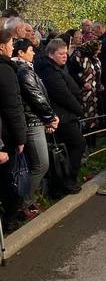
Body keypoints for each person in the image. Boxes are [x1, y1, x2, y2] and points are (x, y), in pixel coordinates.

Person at [12, 38, 59, 211]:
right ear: (21, 53)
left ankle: (27, 200)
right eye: (30, 50)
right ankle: (22, 202)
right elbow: (36, 97)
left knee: (37, 164)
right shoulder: (23, 71)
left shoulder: (26, 69)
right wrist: (51, 117)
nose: (33, 53)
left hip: (36, 120)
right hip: (33, 122)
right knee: (41, 164)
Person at [36, 39, 85, 191]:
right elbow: (62, 94)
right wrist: (80, 110)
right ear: (51, 54)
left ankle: (66, 179)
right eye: (61, 54)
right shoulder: (49, 70)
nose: (65, 56)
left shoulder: (56, 67)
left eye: (66, 53)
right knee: (77, 144)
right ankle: (66, 180)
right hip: (61, 116)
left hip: (66, 114)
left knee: (70, 147)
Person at [0, 29, 27, 229]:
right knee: (6, 178)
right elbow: (12, 106)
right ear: (2, 46)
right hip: (5, 134)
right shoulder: (5, 70)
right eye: (11, 43)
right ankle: (8, 217)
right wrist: (20, 137)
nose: (13, 47)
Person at [68, 40, 103, 136]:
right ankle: (85, 133)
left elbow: (98, 72)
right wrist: (83, 83)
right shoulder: (78, 57)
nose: (99, 52)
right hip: (83, 91)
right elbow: (73, 73)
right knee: (85, 112)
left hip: (95, 92)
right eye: (98, 50)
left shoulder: (95, 59)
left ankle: (93, 133)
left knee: (94, 112)